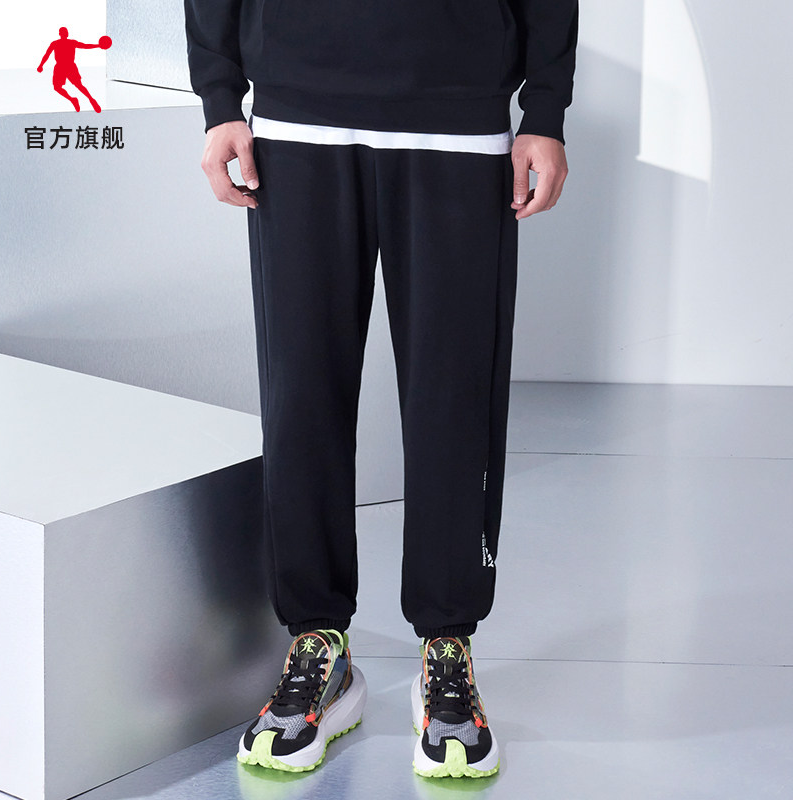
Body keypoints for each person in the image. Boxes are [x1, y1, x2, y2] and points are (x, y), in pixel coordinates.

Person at [183, 0, 578, 779]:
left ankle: (447, 645)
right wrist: (219, 96)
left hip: (457, 117)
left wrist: (545, 109)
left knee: (453, 403)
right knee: (301, 401)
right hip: (296, 117)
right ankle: (318, 644)